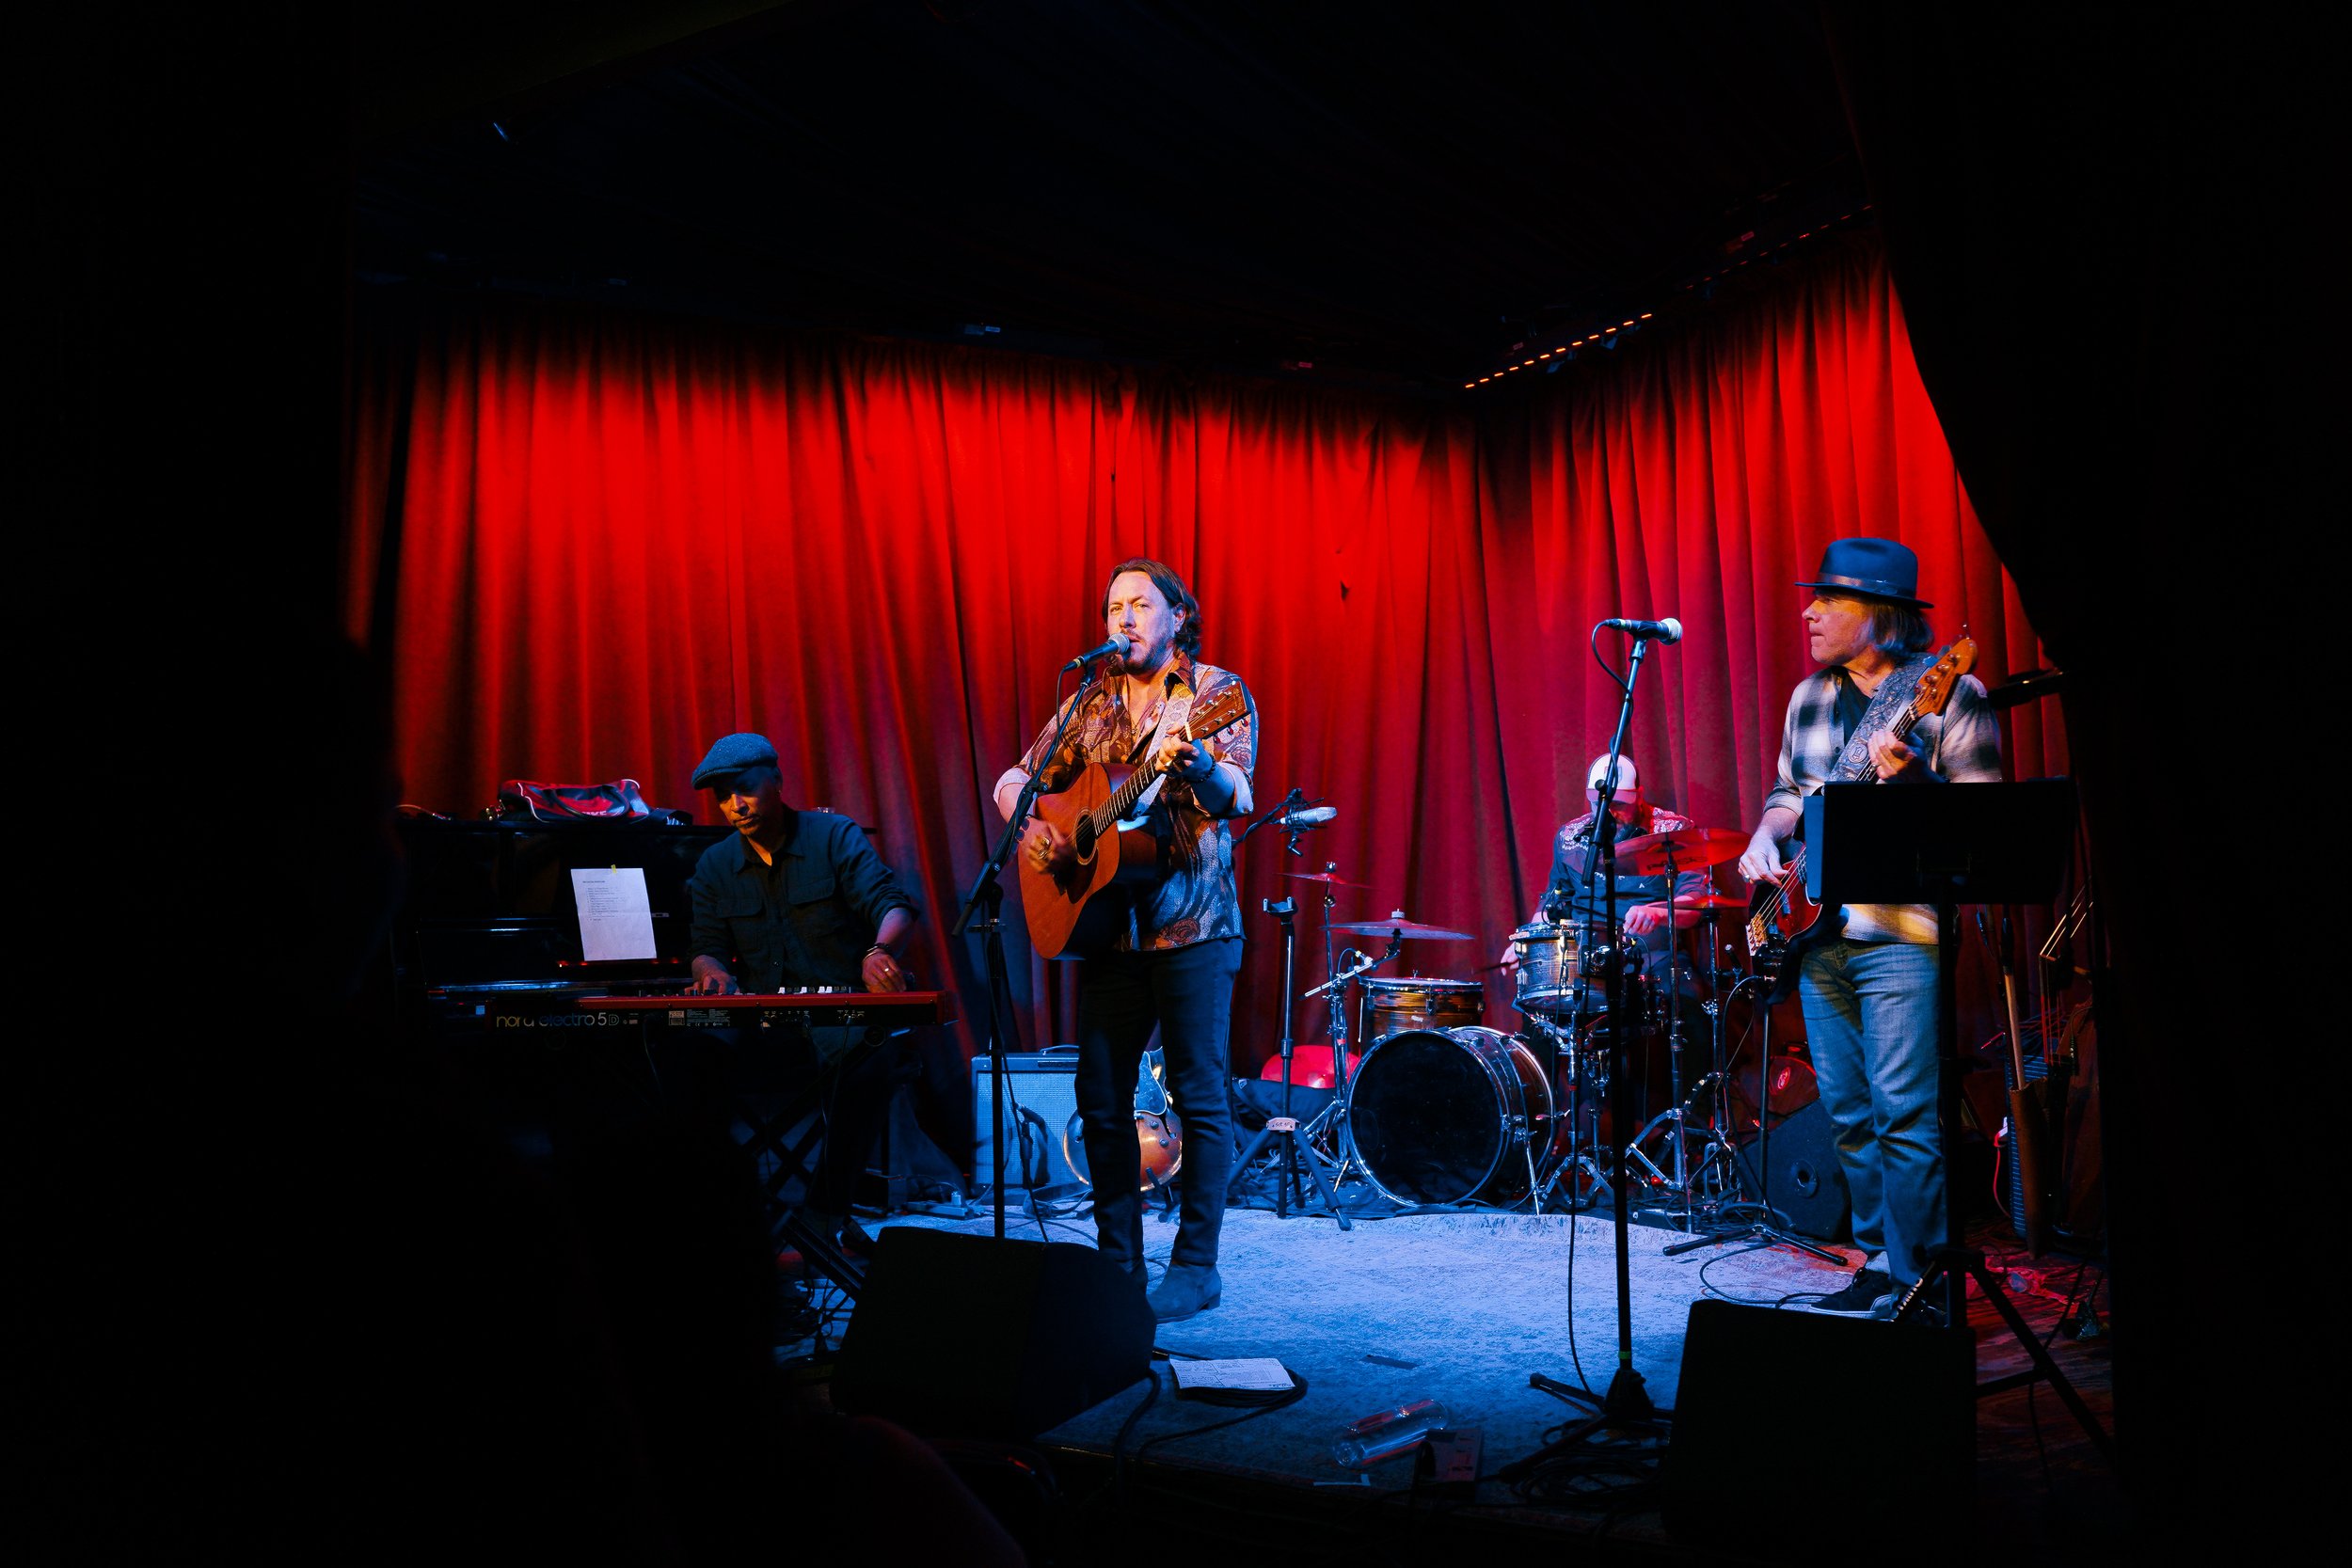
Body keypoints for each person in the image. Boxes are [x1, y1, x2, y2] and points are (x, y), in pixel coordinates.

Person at [1734, 538, 2001, 1318]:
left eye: (1829, 600)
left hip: (1902, 936)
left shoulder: (1951, 691)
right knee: (1849, 1114)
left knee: (1905, 1114)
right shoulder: (1807, 697)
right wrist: (1765, 836)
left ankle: (1923, 1282)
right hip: (1818, 936)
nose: (1809, 612)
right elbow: (1789, 793)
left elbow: (1984, 821)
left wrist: (1917, 780)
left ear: (1880, 615)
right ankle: (1882, 1264)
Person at [993, 559, 1256, 1323]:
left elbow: (1238, 793)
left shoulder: (1215, 692)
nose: (1124, 618)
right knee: (1099, 1094)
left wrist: (1199, 766)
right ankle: (1119, 1263)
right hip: (1111, 931)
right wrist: (1034, 828)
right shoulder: (1091, 699)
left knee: (1199, 1094)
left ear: (1178, 615)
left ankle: (1197, 1266)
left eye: (1140, 603)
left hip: (1194, 927)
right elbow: (1013, 778)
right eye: (1114, 607)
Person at [685, 733, 920, 1253]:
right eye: (723, 797)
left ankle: (821, 1218)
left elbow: (892, 905)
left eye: (745, 789)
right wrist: (710, 972)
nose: (735, 805)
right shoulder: (714, 866)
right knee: (689, 1058)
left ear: (776, 780)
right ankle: (724, 1217)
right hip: (763, 1024)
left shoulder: (832, 836)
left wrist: (879, 951)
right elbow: (705, 948)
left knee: (871, 1062)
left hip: (838, 1017)